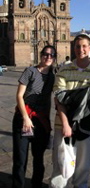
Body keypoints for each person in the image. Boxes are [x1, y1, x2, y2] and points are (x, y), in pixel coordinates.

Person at [49, 33, 90, 188]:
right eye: (77, 46)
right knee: (60, 166)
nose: (81, 49)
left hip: (89, 127)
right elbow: (58, 99)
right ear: (73, 48)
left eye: (84, 46)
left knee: (84, 166)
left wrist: (67, 96)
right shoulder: (63, 70)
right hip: (63, 126)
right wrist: (67, 124)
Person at [12, 45, 57, 188]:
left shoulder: (53, 76)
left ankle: (36, 185)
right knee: (20, 159)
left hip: (40, 122)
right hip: (23, 119)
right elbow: (19, 96)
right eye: (45, 54)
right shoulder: (30, 71)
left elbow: (49, 101)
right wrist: (25, 118)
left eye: (51, 55)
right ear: (40, 54)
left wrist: (48, 125)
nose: (48, 57)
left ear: (54, 58)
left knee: (39, 159)